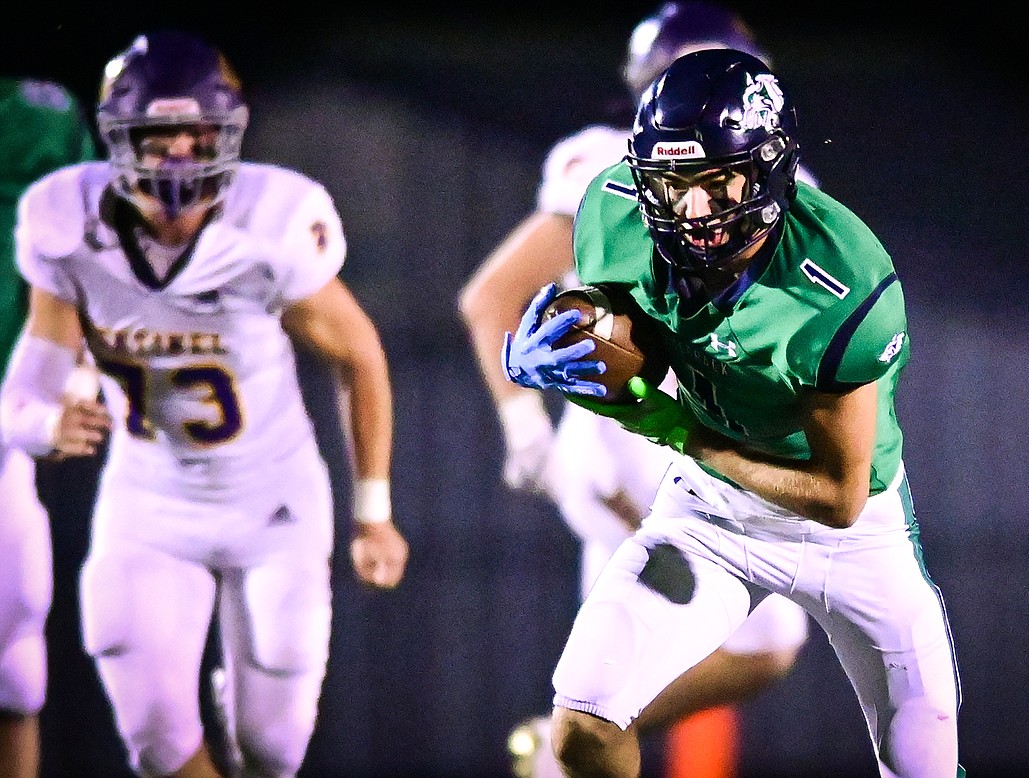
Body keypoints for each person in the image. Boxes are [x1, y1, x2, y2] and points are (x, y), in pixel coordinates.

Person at [502, 48, 964, 778]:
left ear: (769, 168)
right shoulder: (615, 212)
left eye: (715, 183)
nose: (691, 209)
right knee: (582, 729)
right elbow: (638, 342)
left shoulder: (839, 280)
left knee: (922, 762)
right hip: (711, 513)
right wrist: (570, 343)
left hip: (851, 530)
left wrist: (676, 428)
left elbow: (836, 498)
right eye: (672, 185)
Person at [0, 29, 410, 778]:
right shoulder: (68, 223)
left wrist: (373, 512)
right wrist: (40, 420)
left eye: (200, 133)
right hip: (148, 501)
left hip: (271, 501)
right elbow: (29, 378)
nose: (182, 154)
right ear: (120, 138)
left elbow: (360, 354)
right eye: (161, 134)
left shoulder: (272, 224)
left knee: (273, 749)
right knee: (155, 741)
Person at [460, 4, 817, 777]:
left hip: (699, 441)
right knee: (758, 639)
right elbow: (493, 297)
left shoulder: (785, 177)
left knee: (699, 658)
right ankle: (561, 746)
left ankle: (554, 750)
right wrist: (524, 427)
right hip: (632, 447)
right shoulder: (603, 165)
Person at [0, 76, 98, 778]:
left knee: (15, 675)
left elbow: (89, 263)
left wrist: (81, 381)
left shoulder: (42, 118)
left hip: (7, 446)